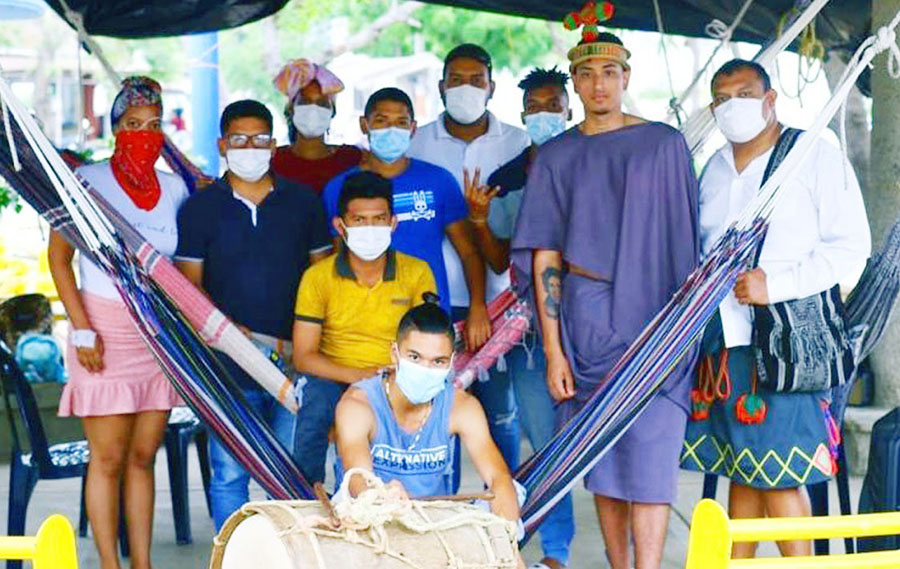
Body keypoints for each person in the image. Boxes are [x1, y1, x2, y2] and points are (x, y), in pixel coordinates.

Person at [510, 24, 699, 569]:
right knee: (605, 457)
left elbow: (687, 243)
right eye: (587, 75)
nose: (599, 86)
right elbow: (544, 256)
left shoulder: (664, 145)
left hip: (660, 321)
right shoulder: (556, 156)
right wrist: (553, 352)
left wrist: (688, 331)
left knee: (654, 457)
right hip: (587, 315)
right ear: (575, 83)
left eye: (610, 73)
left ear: (626, 78)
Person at [680, 59, 871, 558]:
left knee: (781, 470)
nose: (732, 106)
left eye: (744, 94)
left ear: (770, 100)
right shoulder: (714, 169)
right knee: (743, 465)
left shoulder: (813, 157)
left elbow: (852, 247)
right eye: (722, 98)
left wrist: (777, 284)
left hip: (786, 344)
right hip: (723, 340)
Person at [174, 99, 332, 529]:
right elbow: (188, 289)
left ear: (274, 145)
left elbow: (324, 280)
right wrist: (229, 334)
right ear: (222, 144)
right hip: (227, 365)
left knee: (292, 477)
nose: (250, 147)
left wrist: (309, 346)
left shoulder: (303, 202)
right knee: (229, 475)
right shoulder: (199, 208)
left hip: (294, 363)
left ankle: (290, 556)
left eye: (259, 139)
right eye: (239, 139)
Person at [49, 76, 187, 569]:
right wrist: (82, 328)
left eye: (153, 125)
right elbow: (60, 260)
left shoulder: (175, 189)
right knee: (106, 459)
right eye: (133, 125)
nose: (144, 134)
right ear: (115, 129)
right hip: (102, 334)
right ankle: (110, 563)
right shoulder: (85, 180)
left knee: (143, 457)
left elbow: (184, 268)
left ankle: (142, 563)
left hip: (156, 339)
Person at [465, 67, 574, 569]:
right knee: (545, 439)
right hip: (533, 329)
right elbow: (497, 259)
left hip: (597, 323)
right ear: (523, 114)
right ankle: (553, 552)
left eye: (554, 105)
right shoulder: (508, 179)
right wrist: (483, 222)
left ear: (569, 109)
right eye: (536, 107)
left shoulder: (591, 161)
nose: (545, 115)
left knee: (604, 434)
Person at [408, 42, 528, 473]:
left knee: (500, 413)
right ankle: (448, 515)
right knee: (437, 415)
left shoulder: (519, 142)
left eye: (476, 80)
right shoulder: (417, 143)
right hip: (433, 299)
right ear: (441, 87)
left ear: (492, 87)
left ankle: (509, 510)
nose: (465, 89)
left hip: (498, 302)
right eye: (456, 80)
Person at [292, 171, 438, 483]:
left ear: (393, 223)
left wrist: (392, 376)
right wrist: (358, 377)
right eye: (359, 220)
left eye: (379, 219)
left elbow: (428, 345)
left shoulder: (417, 273)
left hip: (397, 377)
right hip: (335, 376)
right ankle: (304, 501)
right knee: (313, 413)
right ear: (340, 226)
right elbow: (304, 356)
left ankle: (413, 501)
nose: (370, 228)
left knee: (430, 415)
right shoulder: (317, 278)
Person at [334, 296, 520, 520]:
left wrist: (507, 539)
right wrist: (381, 497)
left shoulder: (461, 407)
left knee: (512, 495)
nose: (425, 369)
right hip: (368, 519)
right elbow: (358, 478)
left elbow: (497, 477)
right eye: (414, 357)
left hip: (433, 524)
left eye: (438, 361)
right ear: (395, 354)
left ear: (451, 363)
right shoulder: (358, 404)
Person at [322, 87, 480, 320]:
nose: (391, 130)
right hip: (364, 318)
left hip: (428, 314)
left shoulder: (438, 181)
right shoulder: (339, 187)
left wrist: (478, 308)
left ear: (413, 129)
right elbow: (338, 258)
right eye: (381, 121)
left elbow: (468, 252)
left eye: (401, 122)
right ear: (365, 125)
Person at [271, 59, 362, 194]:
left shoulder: (351, 158)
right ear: (291, 108)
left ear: (332, 111)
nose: (313, 109)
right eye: (305, 102)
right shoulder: (274, 161)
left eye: (322, 103)